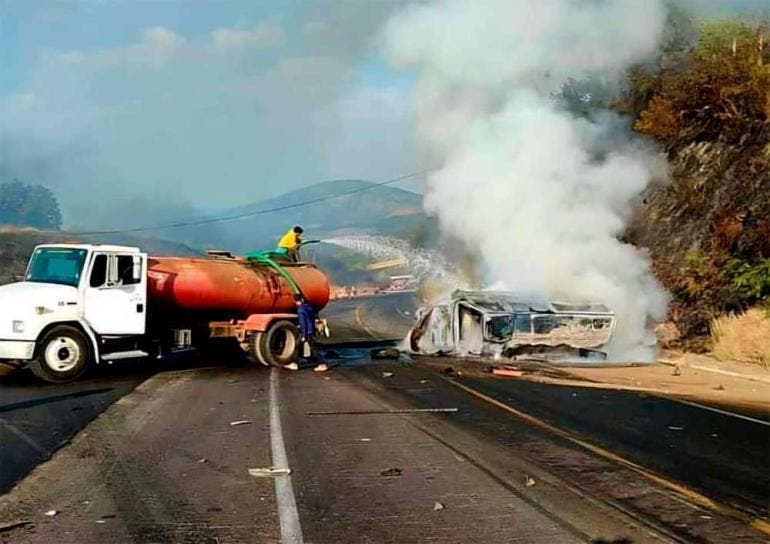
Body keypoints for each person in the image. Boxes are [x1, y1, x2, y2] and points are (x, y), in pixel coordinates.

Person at [286, 293, 328, 372]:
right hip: (311, 330)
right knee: (299, 346)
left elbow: (303, 323)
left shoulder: (301, 310)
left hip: (307, 332)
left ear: (298, 301)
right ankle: (294, 363)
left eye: (296, 302)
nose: (296, 303)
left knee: (312, 348)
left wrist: (303, 335)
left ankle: (322, 364)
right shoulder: (309, 307)